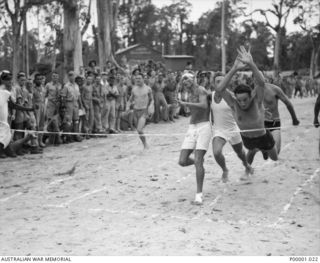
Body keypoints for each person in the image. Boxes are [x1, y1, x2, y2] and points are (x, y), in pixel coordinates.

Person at [216, 46, 278, 165]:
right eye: (239, 100)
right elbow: (220, 89)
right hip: (247, 139)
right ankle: (249, 169)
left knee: (274, 158)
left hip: (263, 136)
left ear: (251, 97)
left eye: (245, 100)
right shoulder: (233, 104)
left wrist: (251, 64)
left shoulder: (257, 101)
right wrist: (234, 69)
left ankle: (262, 149)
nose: (242, 103)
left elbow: (261, 82)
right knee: (251, 152)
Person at [211, 73, 253, 182]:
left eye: (222, 81)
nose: (220, 83)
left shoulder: (232, 97)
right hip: (219, 130)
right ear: (213, 83)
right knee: (216, 152)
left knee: (240, 153)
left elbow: (245, 108)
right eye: (218, 81)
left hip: (233, 129)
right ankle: (225, 170)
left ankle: (246, 165)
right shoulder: (210, 96)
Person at [177, 73, 211, 205]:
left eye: (188, 79)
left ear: (193, 80)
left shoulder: (201, 90)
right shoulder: (188, 94)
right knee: (182, 160)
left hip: (204, 126)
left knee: (198, 160)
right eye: (184, 80)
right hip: (192, 127)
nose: (186, 82)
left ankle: (199, 195)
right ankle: (199, 165)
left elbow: (203, 105)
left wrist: (185, 103)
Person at [263, 82, 300, 156]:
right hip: (260, 124)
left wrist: (294, 119)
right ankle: (263, 150)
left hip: (274, 122)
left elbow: (288, 103)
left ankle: (265, 150)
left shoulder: (274, 89)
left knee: (276, 152)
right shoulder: (251, 91)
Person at [128, 72, 153, 149]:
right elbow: (130, 99)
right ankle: (144, 143)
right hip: (136, 111)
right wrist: (127, 106)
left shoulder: (148, 89)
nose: (137, 80)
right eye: (136, 78)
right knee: (138, 131)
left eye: (139, 78)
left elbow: (152, 100)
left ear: (143, 79)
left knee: (139, 129)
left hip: (144, 111)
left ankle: (145, 144)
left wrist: (150, 108)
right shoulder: (134, 89)